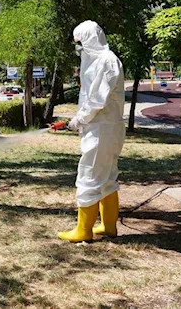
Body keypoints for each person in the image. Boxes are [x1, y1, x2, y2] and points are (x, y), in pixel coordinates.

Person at [58, 20, 125, 242]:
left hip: (102, 131)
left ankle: (83, 230)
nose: (78, 48)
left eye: (80, 42)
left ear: (89, 39)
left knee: (89, 176)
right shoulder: (101, 62)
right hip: (105, 129)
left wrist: (79, 119)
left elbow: (97, 100)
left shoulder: (107, 62)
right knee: (106, 179)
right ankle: (108, 226)